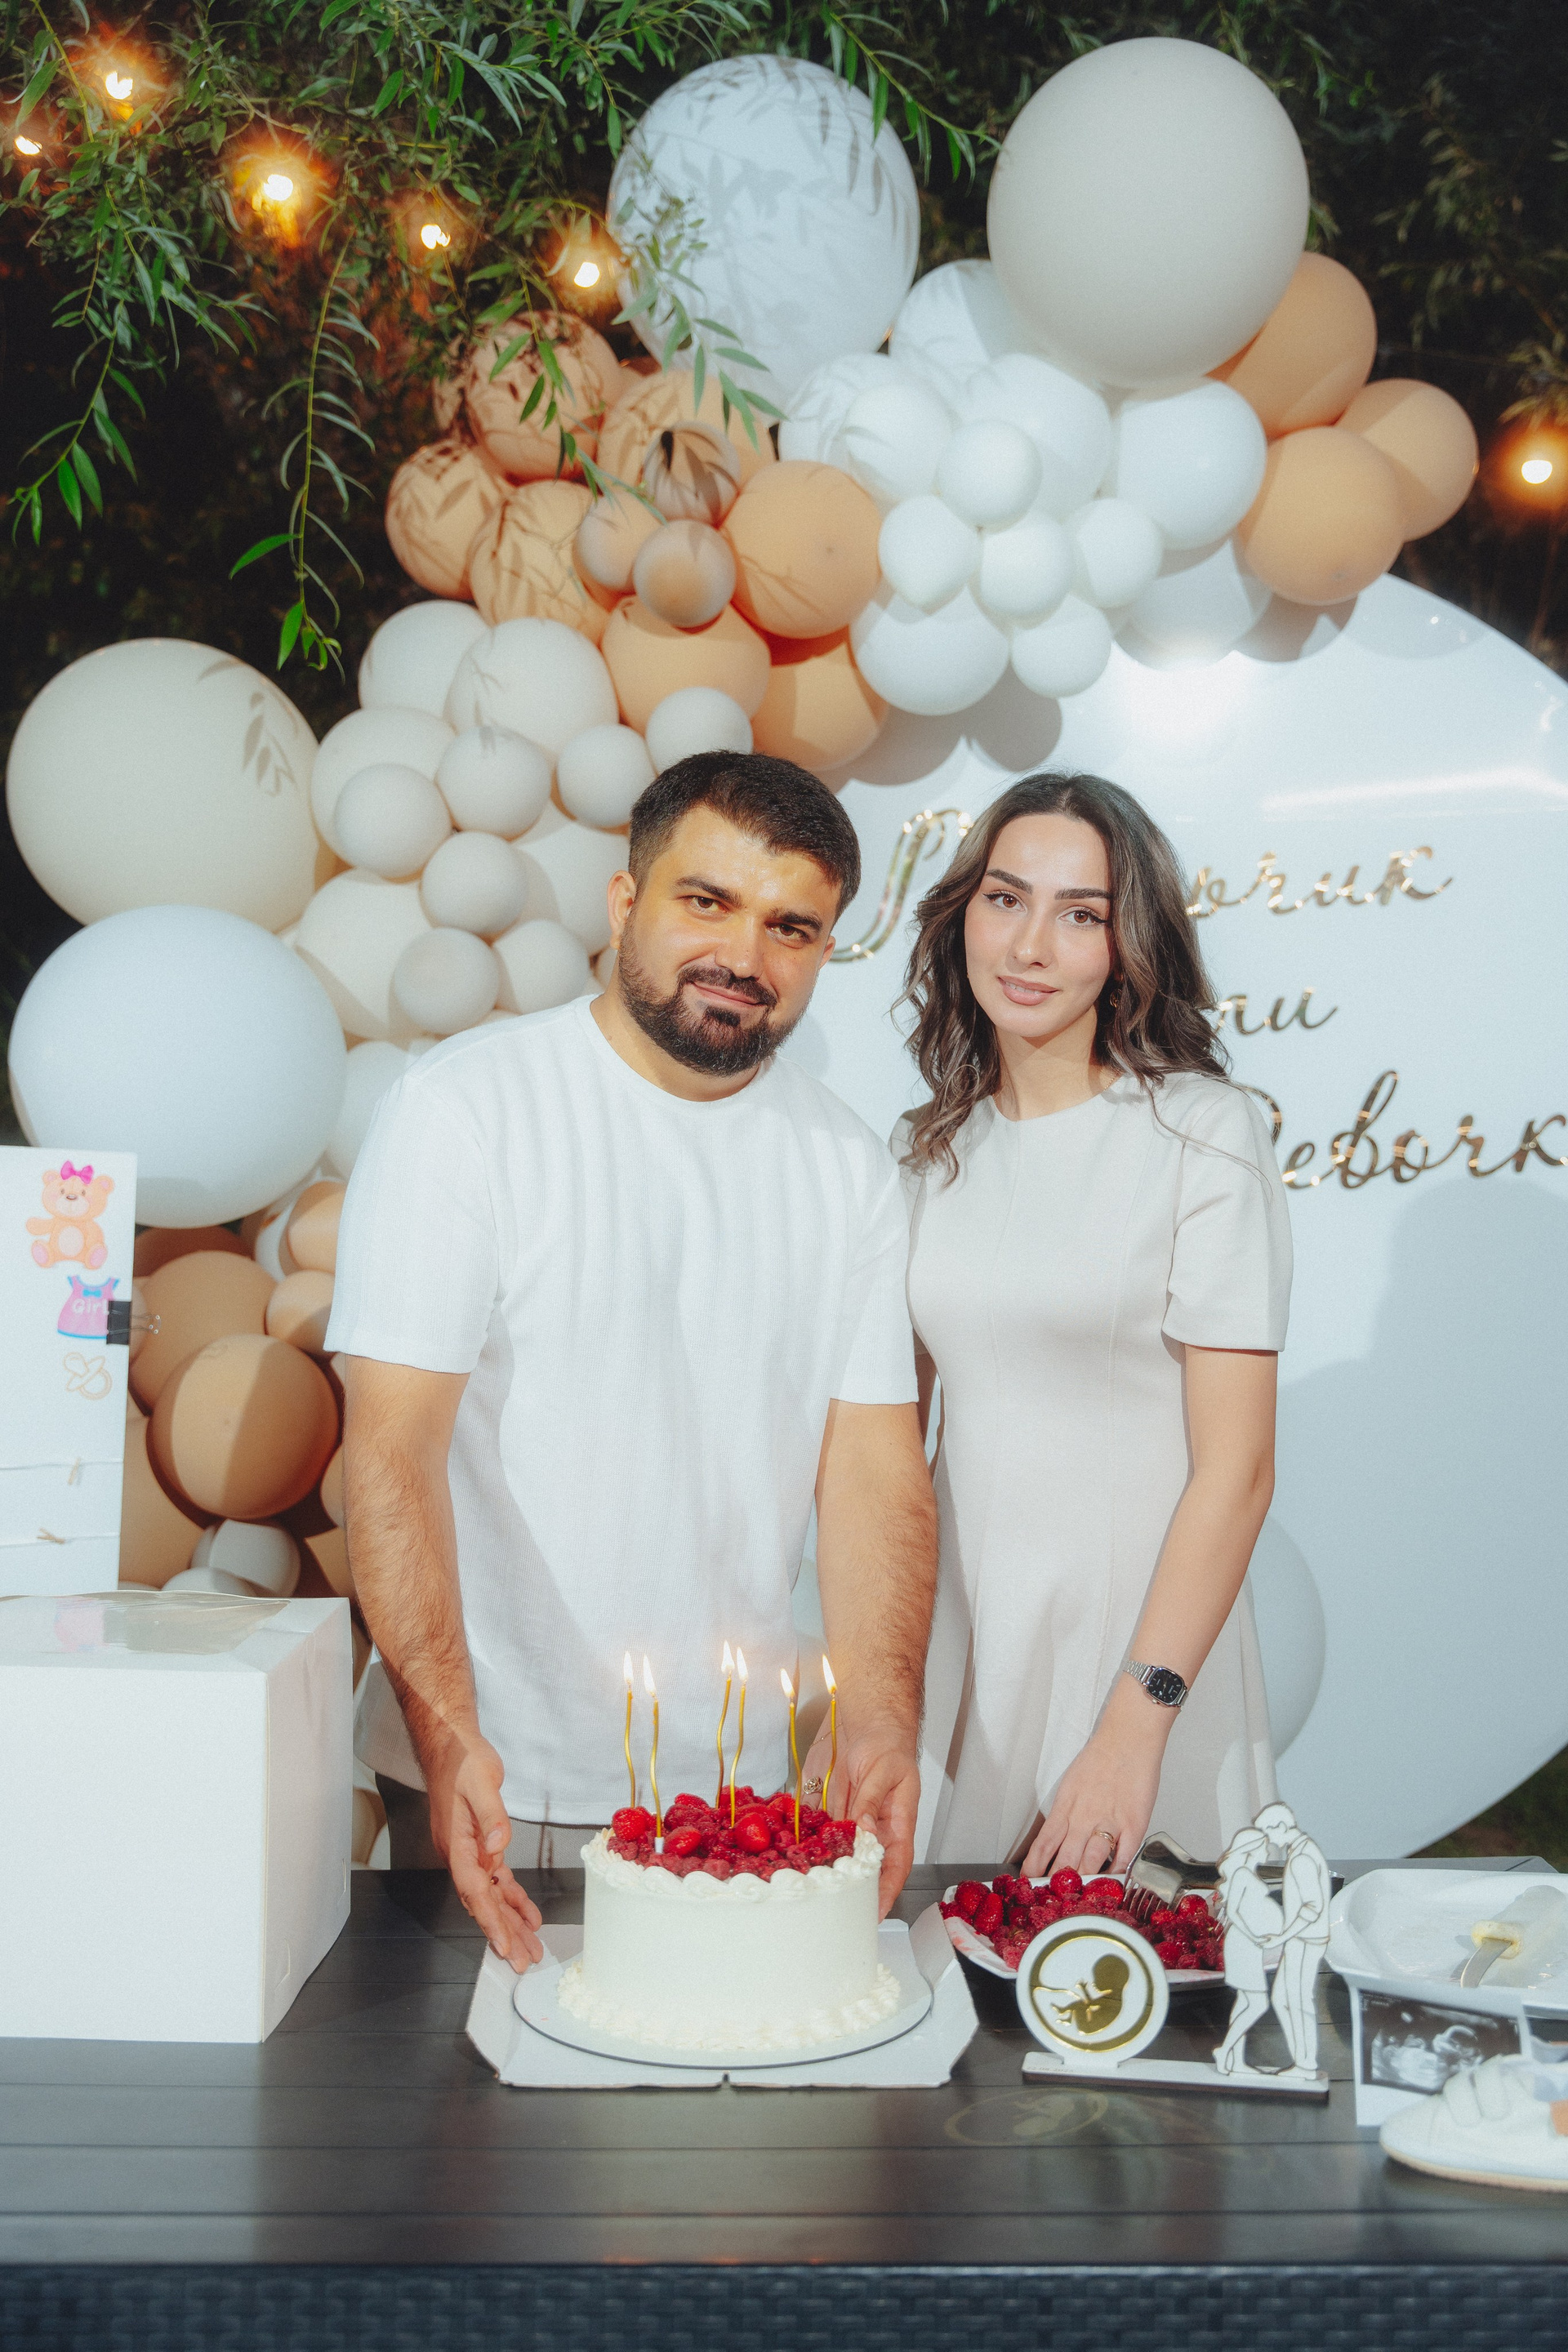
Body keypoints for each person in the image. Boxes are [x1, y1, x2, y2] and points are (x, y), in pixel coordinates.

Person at [327, 751, 938, 1970]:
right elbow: (392, 1450)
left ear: (826, 950)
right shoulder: (466, 1111)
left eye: (790, 927)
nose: (743, 955)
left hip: (746, 1791)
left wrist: (882, 1720)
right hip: (500, 1775)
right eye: (706, 902)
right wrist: (447, 1733)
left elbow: (874, 1472)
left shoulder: (848, 1168)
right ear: (624, 903)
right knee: (480, 2088)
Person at [898, 771, 1291, 1878]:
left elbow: (1239, 1472)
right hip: (962, 1646)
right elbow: (897, 1448)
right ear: (963, 913)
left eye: (1081, 915)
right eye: (1004, 900)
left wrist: (1134, 1726)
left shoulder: (1201, 1133)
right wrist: (877, 1685)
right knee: (932, 1971)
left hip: (1136, 1655)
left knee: (1120, 1975)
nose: (1029, 947)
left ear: (1129, 945)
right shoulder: (927, 1152)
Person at [1256, 1797, 1331, 2077]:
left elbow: (1312, 1907)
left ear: (1280, 1827)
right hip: (1304, 1938)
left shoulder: (1301, 1859)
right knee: (1284, 1998)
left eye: (1268, 1831)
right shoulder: (1302, 1851)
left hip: (1306, 1940)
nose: (1268, 1839)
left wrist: (1281, 1937)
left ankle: (1305, 2064)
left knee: (1296, 1999)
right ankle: (1303, 2061)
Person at [1214, 1827, 1284, 2077]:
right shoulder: (1242, 1875)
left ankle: (1236, 2060)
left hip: (1250, 1944)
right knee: (1258, 2003)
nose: (1267, 1851)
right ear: (1252, 1848)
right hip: (1244, 1943)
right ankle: (1225, 2050)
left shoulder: (1247, 1873)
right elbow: (1233, 1911)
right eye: (1264, 1846)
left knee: (1244, 2002)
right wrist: (1255, 1935)